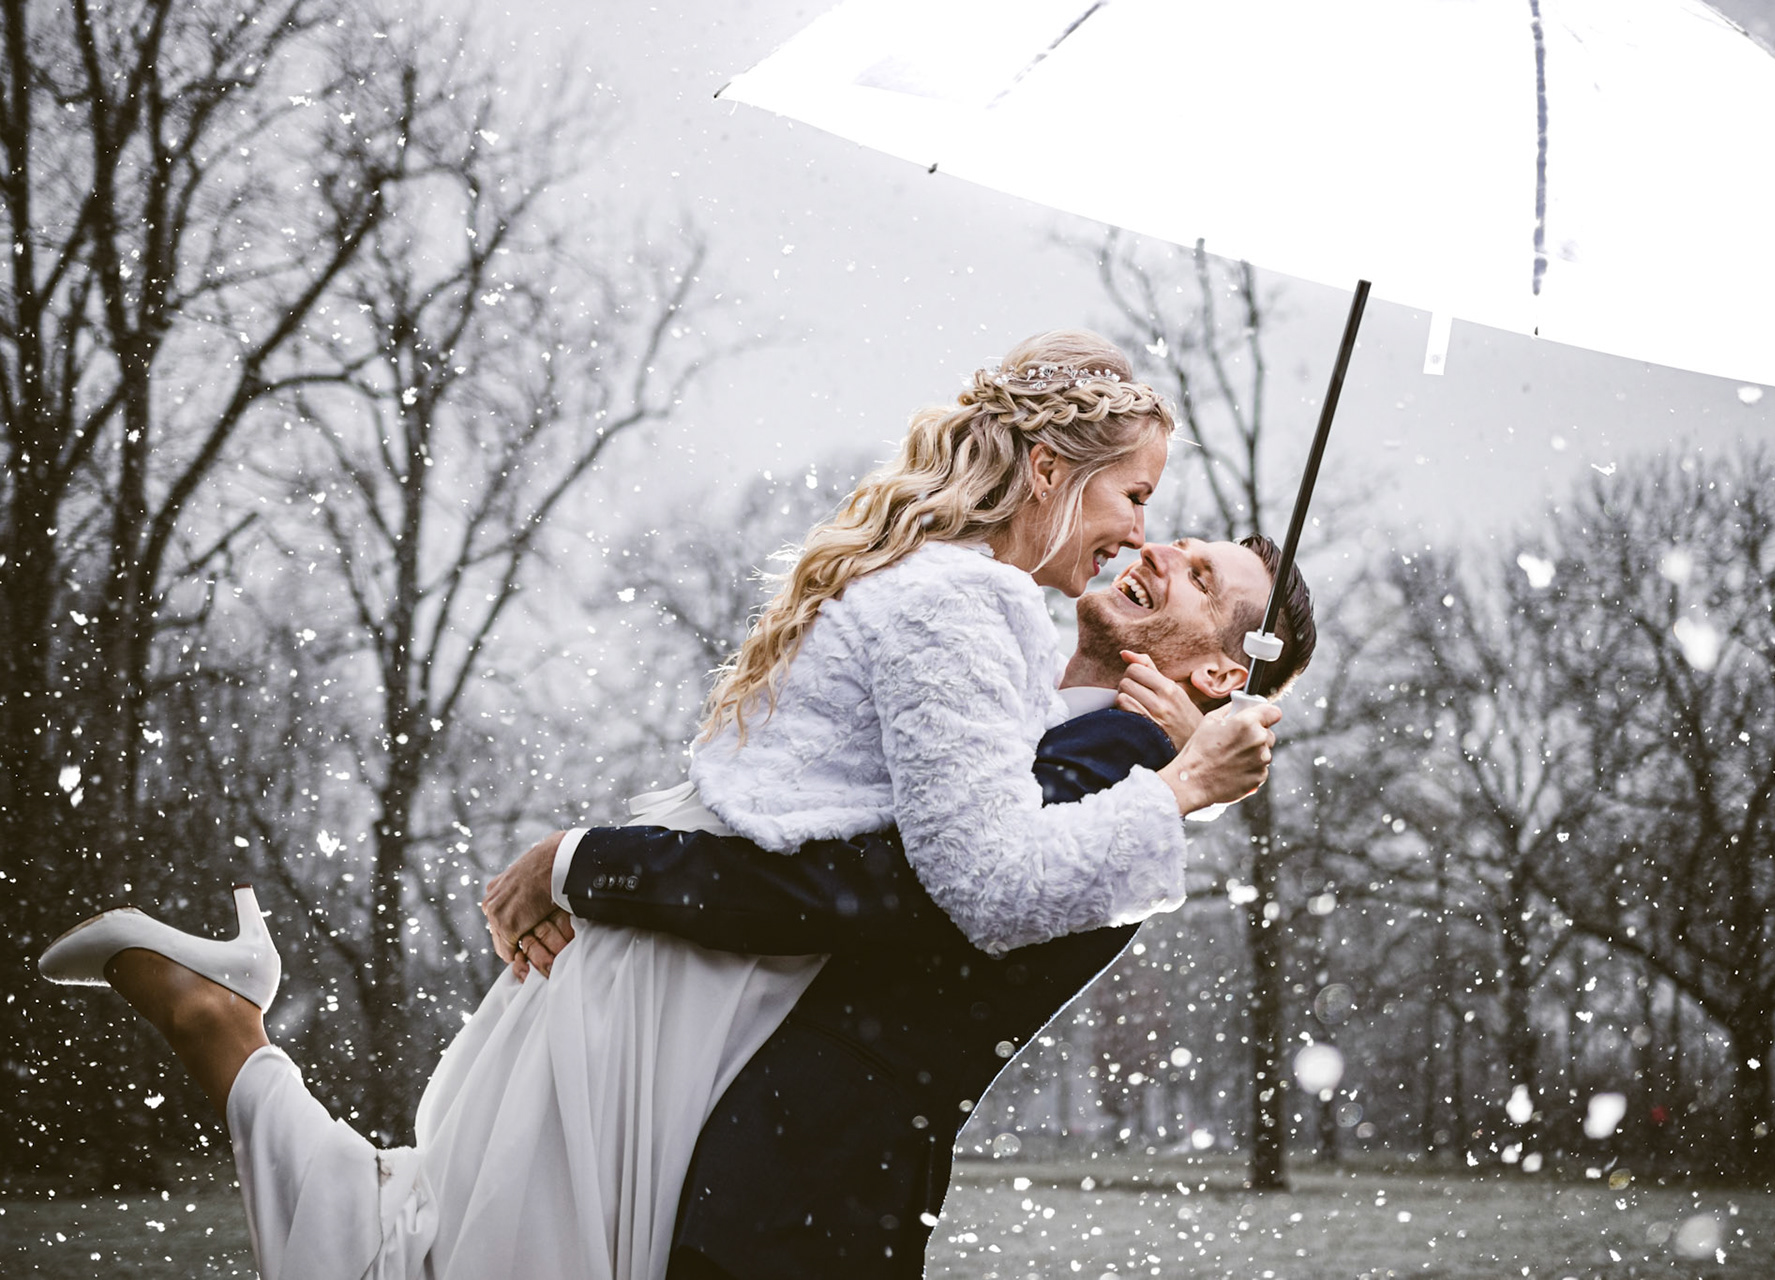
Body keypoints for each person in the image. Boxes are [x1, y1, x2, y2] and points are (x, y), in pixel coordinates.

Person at [36, 331, 1285, 1280]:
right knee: (448, 1252)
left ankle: (223, 1024)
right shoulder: (976, 600)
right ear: (1052, 469)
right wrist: (1176, 788)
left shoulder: (967, 601)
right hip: (695, 981)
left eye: (1174, 539)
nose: (1144, 536)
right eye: (1140, 499)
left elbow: (936, 868)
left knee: (433, 1240)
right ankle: (217, 1023)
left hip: (695, 971)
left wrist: (589, 862)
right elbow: (962, 875)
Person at [488, 534, 1316, 1279]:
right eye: (1180, 542)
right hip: (788, 1190)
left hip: (795, 1197)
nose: (1160, 550)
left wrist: (586, 865)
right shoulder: (1048, 726)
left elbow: (859, 889)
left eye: (1200, 578)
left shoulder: (1123, 766)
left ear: (1221, 675)